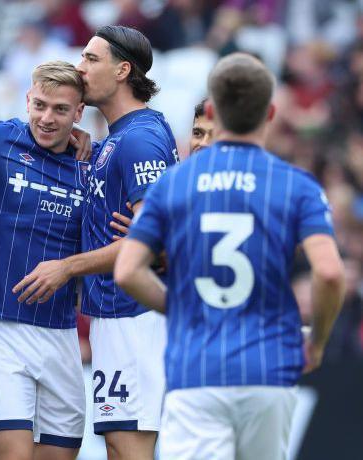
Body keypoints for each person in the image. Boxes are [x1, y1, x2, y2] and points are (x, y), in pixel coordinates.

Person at [115, 52, 345, 460]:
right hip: (270, 368)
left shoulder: (174, 184)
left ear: (215, 110)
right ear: (271, 112)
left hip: (197, 366)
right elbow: (328, 273)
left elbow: (129, 270)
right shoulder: (297, 184)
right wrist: (318, 343)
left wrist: (182, 306)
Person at [12, 25, 178, 459]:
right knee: (120, 447)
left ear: (123, 70)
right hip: (116, 316)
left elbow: (152, 239)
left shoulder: (139, 140)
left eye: (90, 58)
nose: (80, 67)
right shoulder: (117, 139)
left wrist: (67, 267)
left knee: (129, 448)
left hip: (135, 316)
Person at [0, 61, 87, 460]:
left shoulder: (92, 163)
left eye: (61, 110)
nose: (47, 118)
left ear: (80, 113)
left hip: (61, 335)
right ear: (27, 99)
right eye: (40, 105)